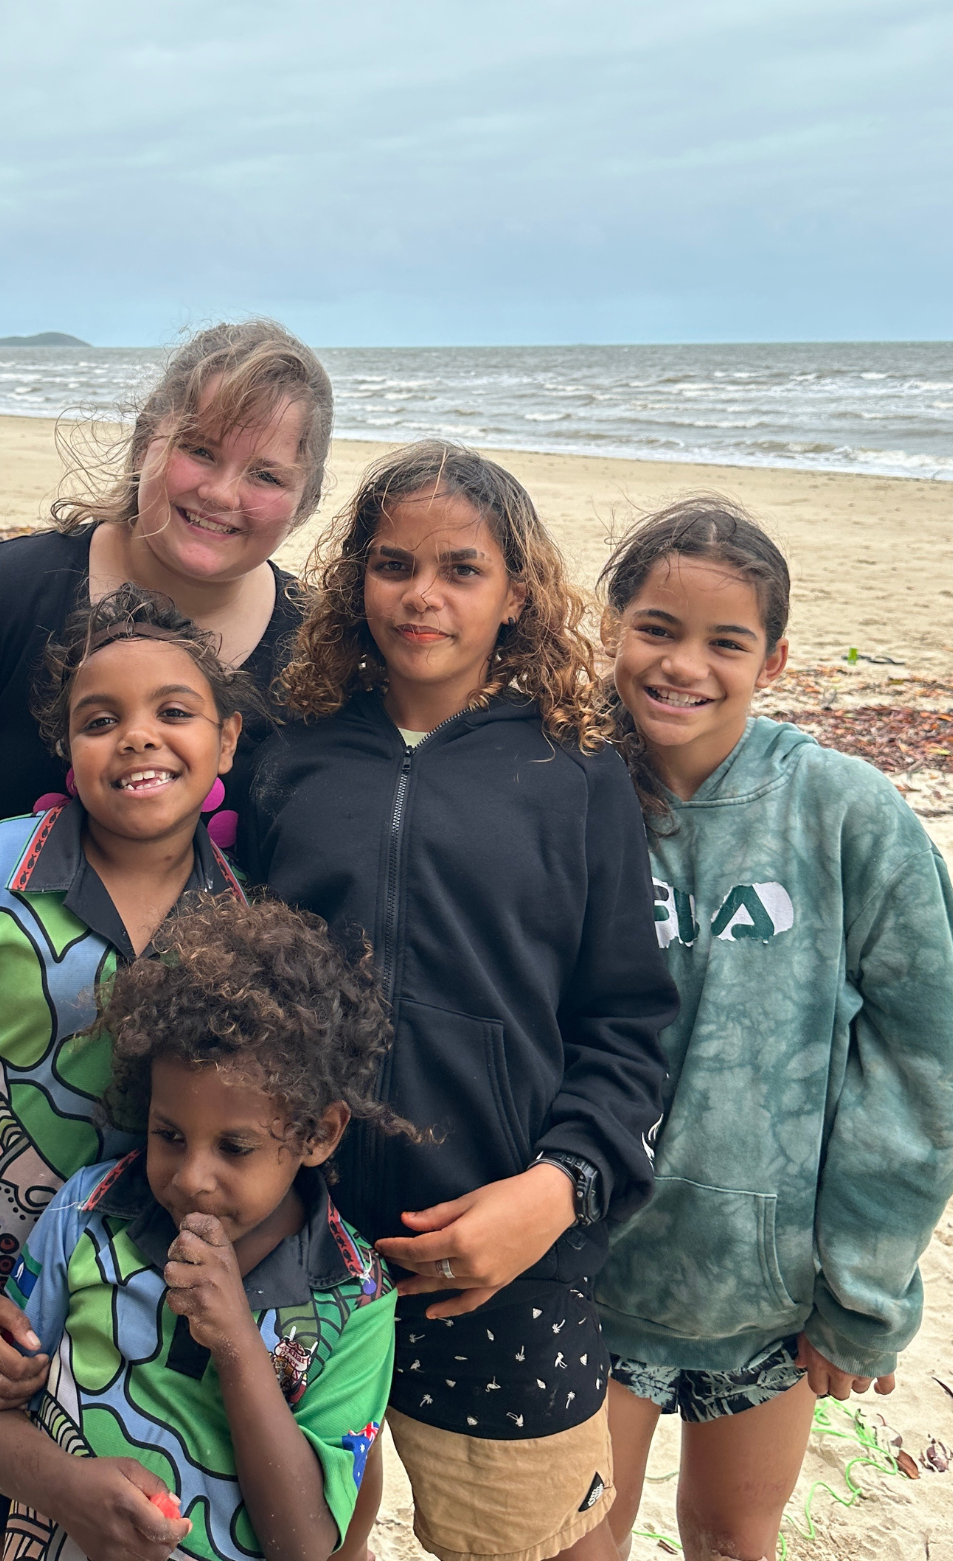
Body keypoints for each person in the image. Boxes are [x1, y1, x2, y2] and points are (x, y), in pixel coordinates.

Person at [242, 441, 677, 1561]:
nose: (421, 595)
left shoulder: (576, 769)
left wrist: (556, 1187)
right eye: (392, 564)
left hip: (499, 1253)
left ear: (516, 590)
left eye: (461, 568)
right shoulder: (290, 747)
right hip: (298, 1234)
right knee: (307, 1527)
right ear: (355, 580)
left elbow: (629, 1024)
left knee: (536, 1539)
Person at [589, 497, 953, 1561]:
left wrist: (864, 1289)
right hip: (587, 1274)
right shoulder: (568, 792)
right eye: (657, 628)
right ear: (612, 627)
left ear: (773, 659)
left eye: (726, 641)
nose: (683, 665)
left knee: (731, 1533)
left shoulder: (844, 811)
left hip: (765, 1288)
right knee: (575, 1537)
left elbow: (924, 1067)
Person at [0, 586, 257, 1561]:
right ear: (66, 748)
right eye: (99, 719)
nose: (137, 738)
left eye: (173, 710)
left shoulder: (245, 927)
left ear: (227, 741)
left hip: (112, 1353)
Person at [0, 319, 332, 1063]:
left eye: (266, 475)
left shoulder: (321, 654)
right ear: (148, 439)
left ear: (303, 499)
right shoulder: (2, 594)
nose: (221, 492)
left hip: (207, 1088)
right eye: (199, 450)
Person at [0, 893, 409, 1561]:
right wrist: (66, 1487)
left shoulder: (354, 1298)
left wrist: (234, 1341)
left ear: (318, 1133)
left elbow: (306, 1544)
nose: (192, 1176)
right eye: (169, 1134)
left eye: (235, 1146)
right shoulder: (89, 1211)